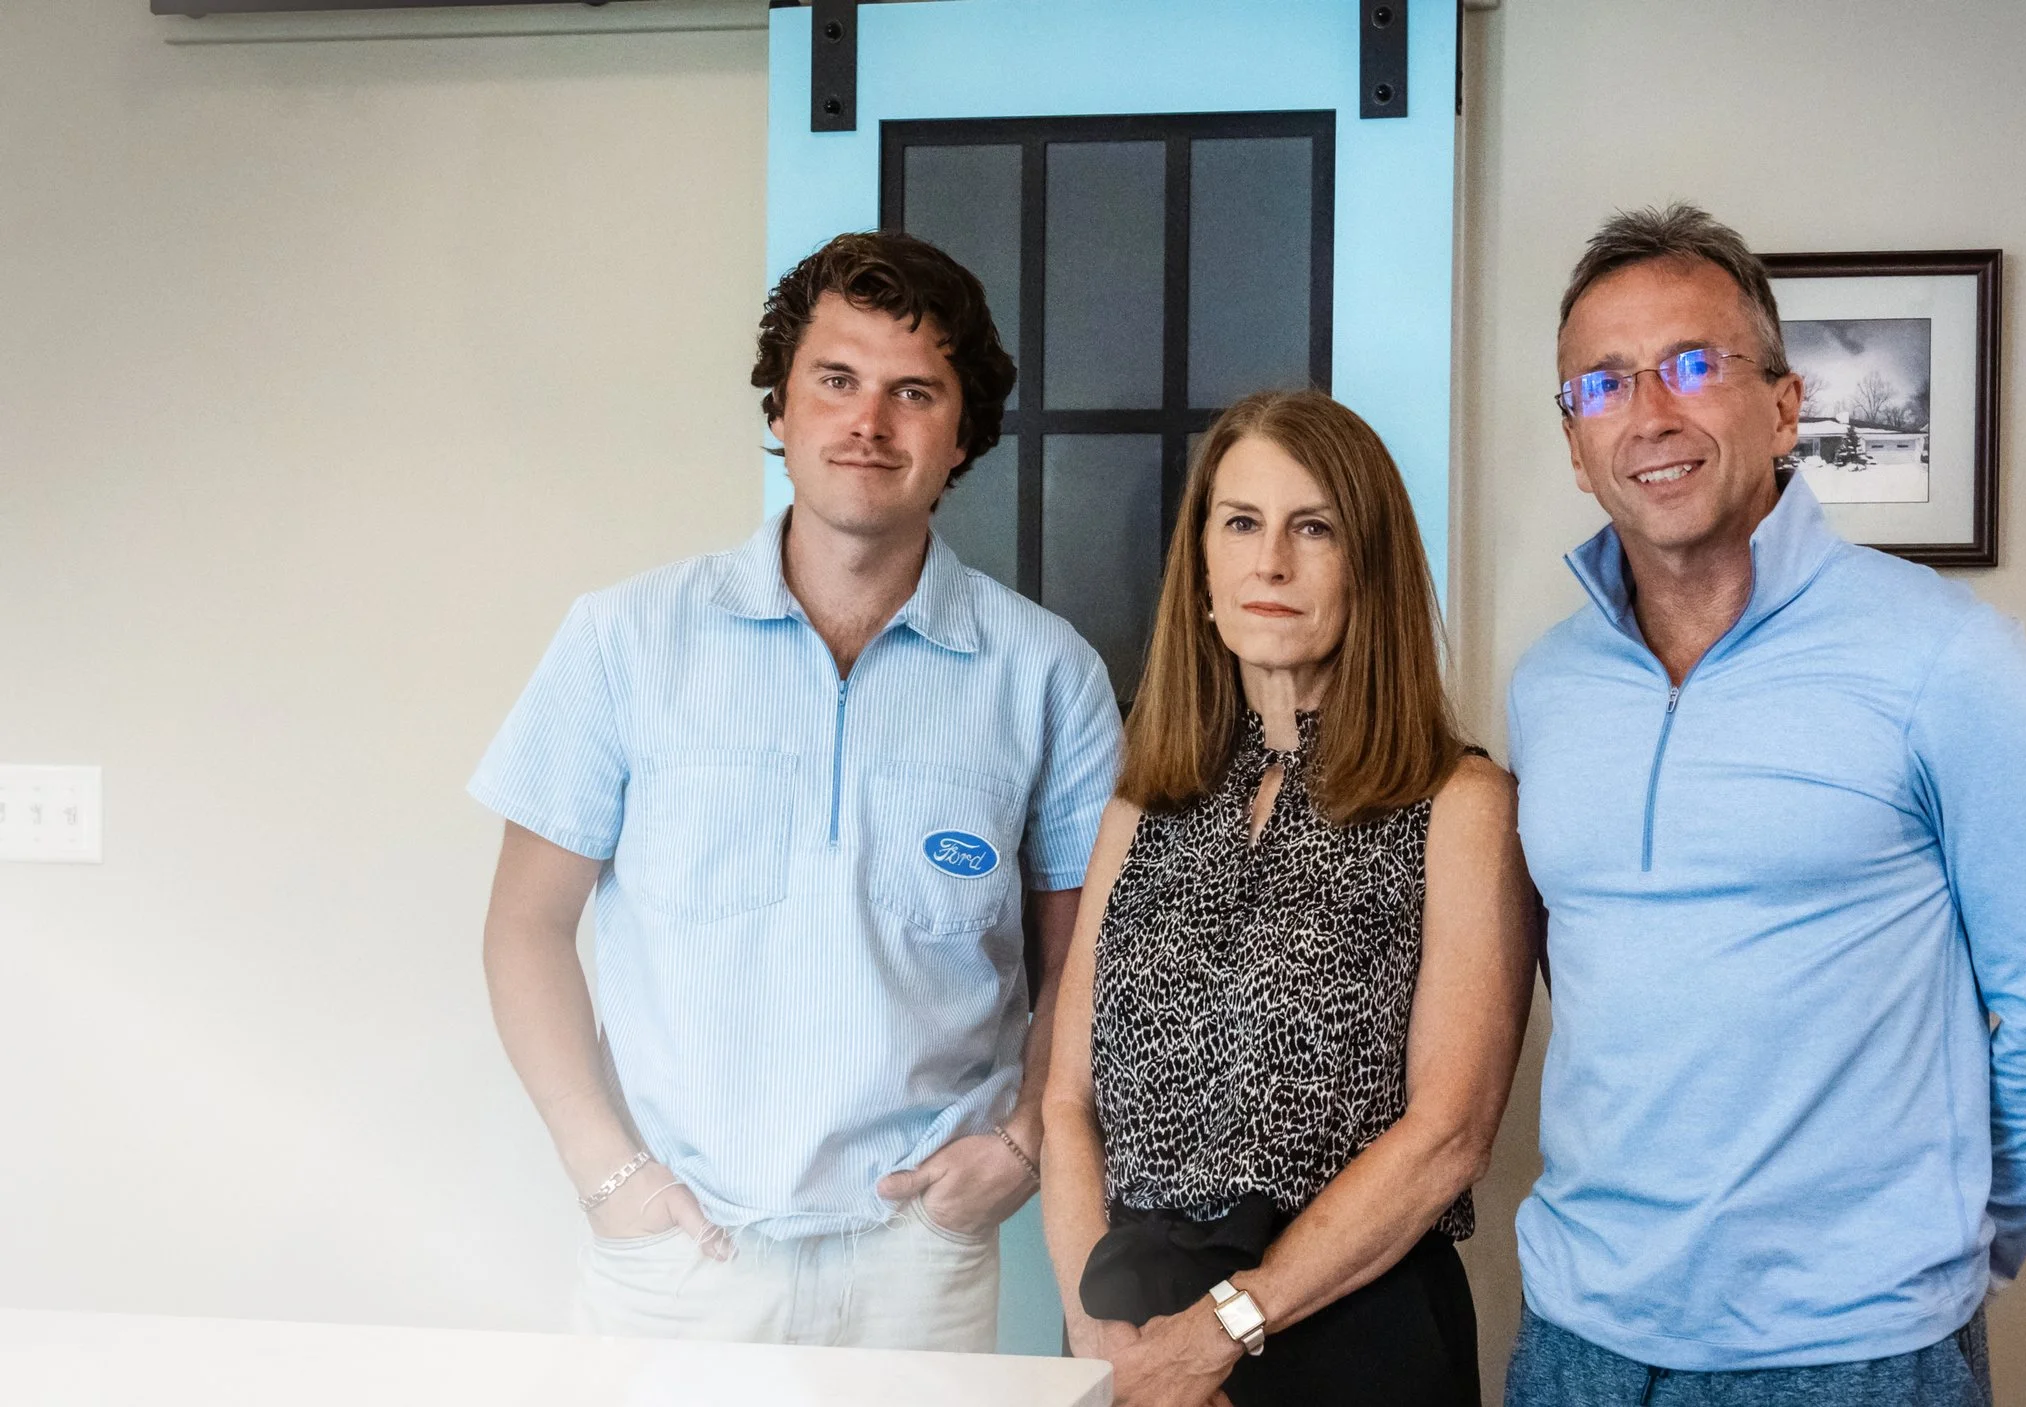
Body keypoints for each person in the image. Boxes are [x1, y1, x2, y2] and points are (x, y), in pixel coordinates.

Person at [1504, 205, 2026, 1406]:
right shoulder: (1548, 688)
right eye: (1604, 383)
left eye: (1695, 366)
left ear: (1783, 406)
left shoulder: (1952, 665)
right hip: (1579, 1342)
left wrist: (1941, 1246)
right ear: (1575, 440)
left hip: (1852, 1355)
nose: (1651, 413)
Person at [470, 231, 1122, 1350]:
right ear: (780, 409)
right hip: (681, 1252)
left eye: (913, 392)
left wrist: (1021, 1146)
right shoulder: (626, 640)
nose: (867, 423)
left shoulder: (1045, 673)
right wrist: (606, 1176)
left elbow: (1089, 961)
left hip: (919, 1259)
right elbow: (524, 928)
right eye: (835, 381)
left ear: (962, 433)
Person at [1040, 390, 1537, 1407]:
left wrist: (1223, 1330)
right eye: (1241, 524)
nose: (1270, 562)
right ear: (1204, 569)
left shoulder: (1460, 804)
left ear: (1371, 567)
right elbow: (1065, 1102)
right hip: (1129, 1337)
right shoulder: (1140, 808)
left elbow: (1448, 1134)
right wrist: (1108, 1346)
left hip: (1352, 1328)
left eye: (1313, 528)